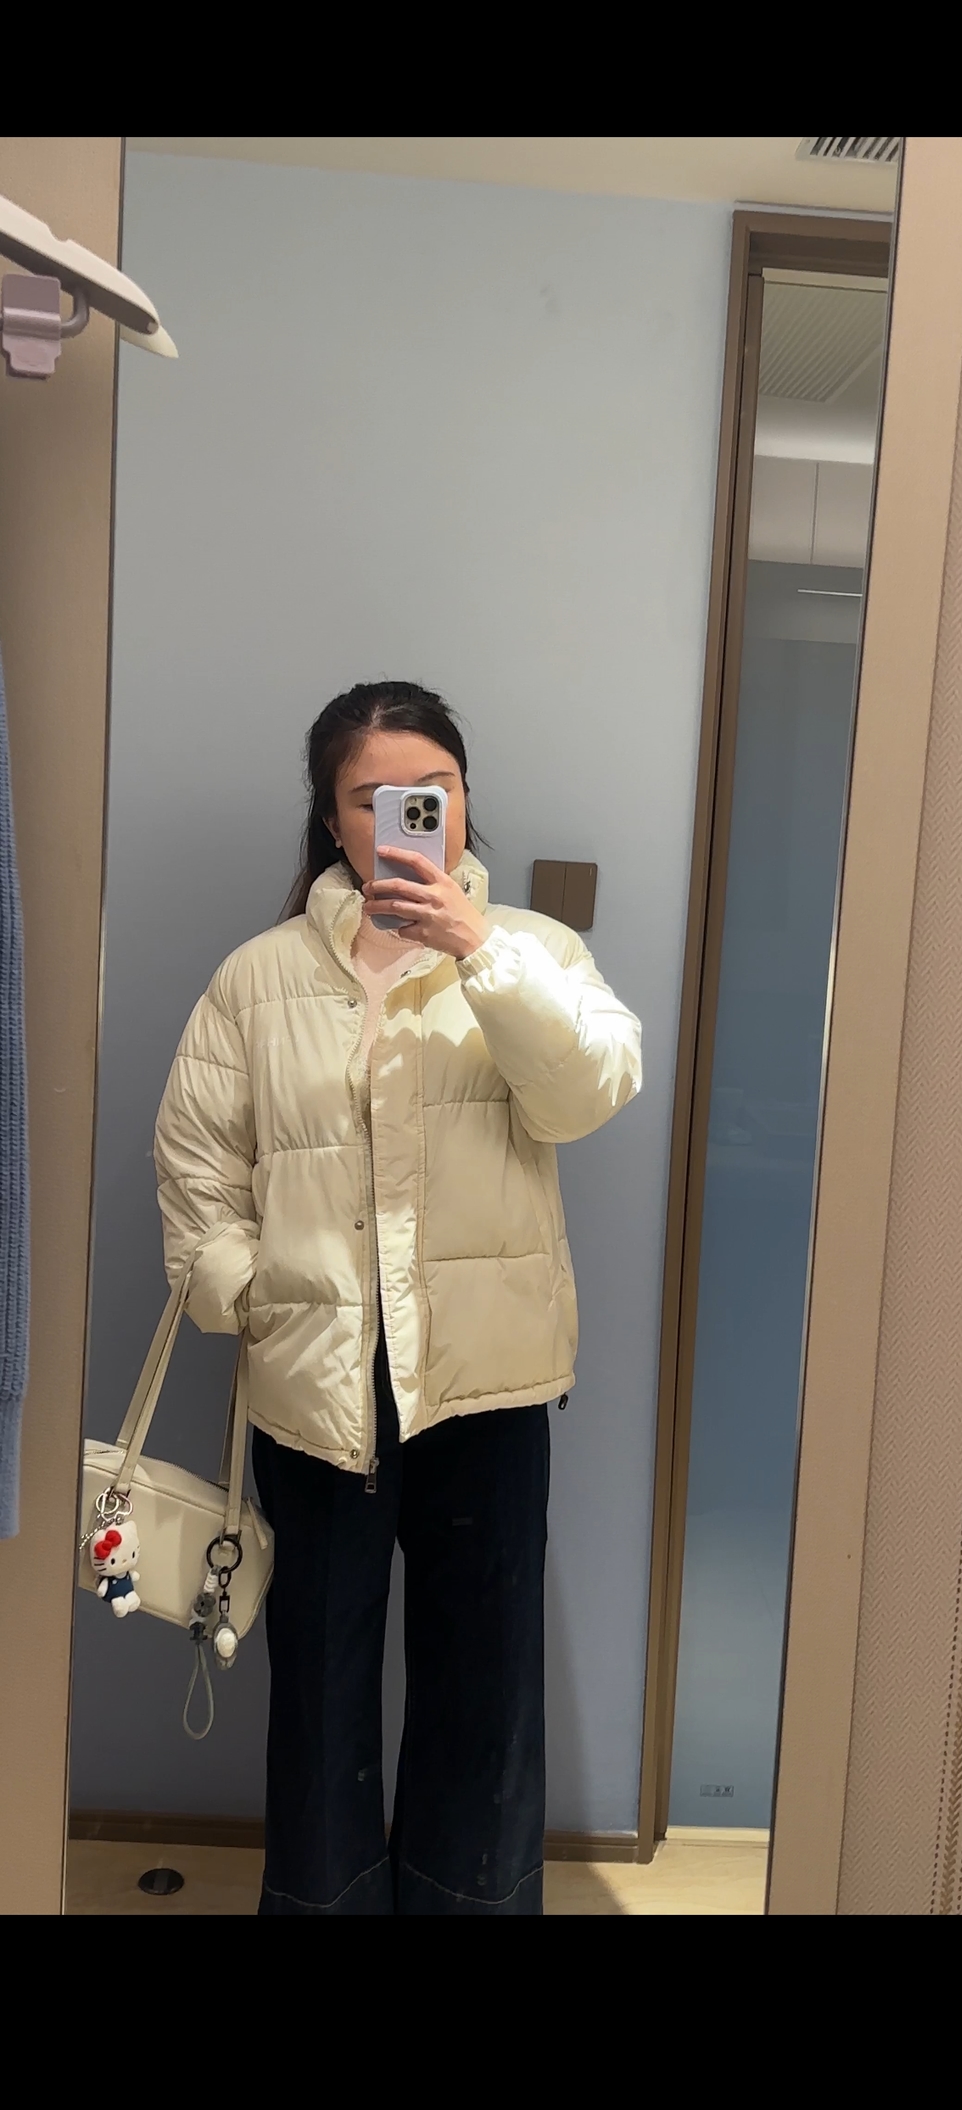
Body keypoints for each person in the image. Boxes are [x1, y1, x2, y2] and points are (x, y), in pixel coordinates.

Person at [153, 680, 641, 1914]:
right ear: (332, 819)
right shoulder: (259, 977)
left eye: (432, 791)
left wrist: (479, 951)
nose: (404, 815)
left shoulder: (533, 951)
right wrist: (257, 1294)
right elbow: (197, 1163)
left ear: (466, 800)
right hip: (316, 1386)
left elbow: (586, 1093)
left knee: (487, 1681)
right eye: (372, 797)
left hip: (485, 1378)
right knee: (318, 1678)